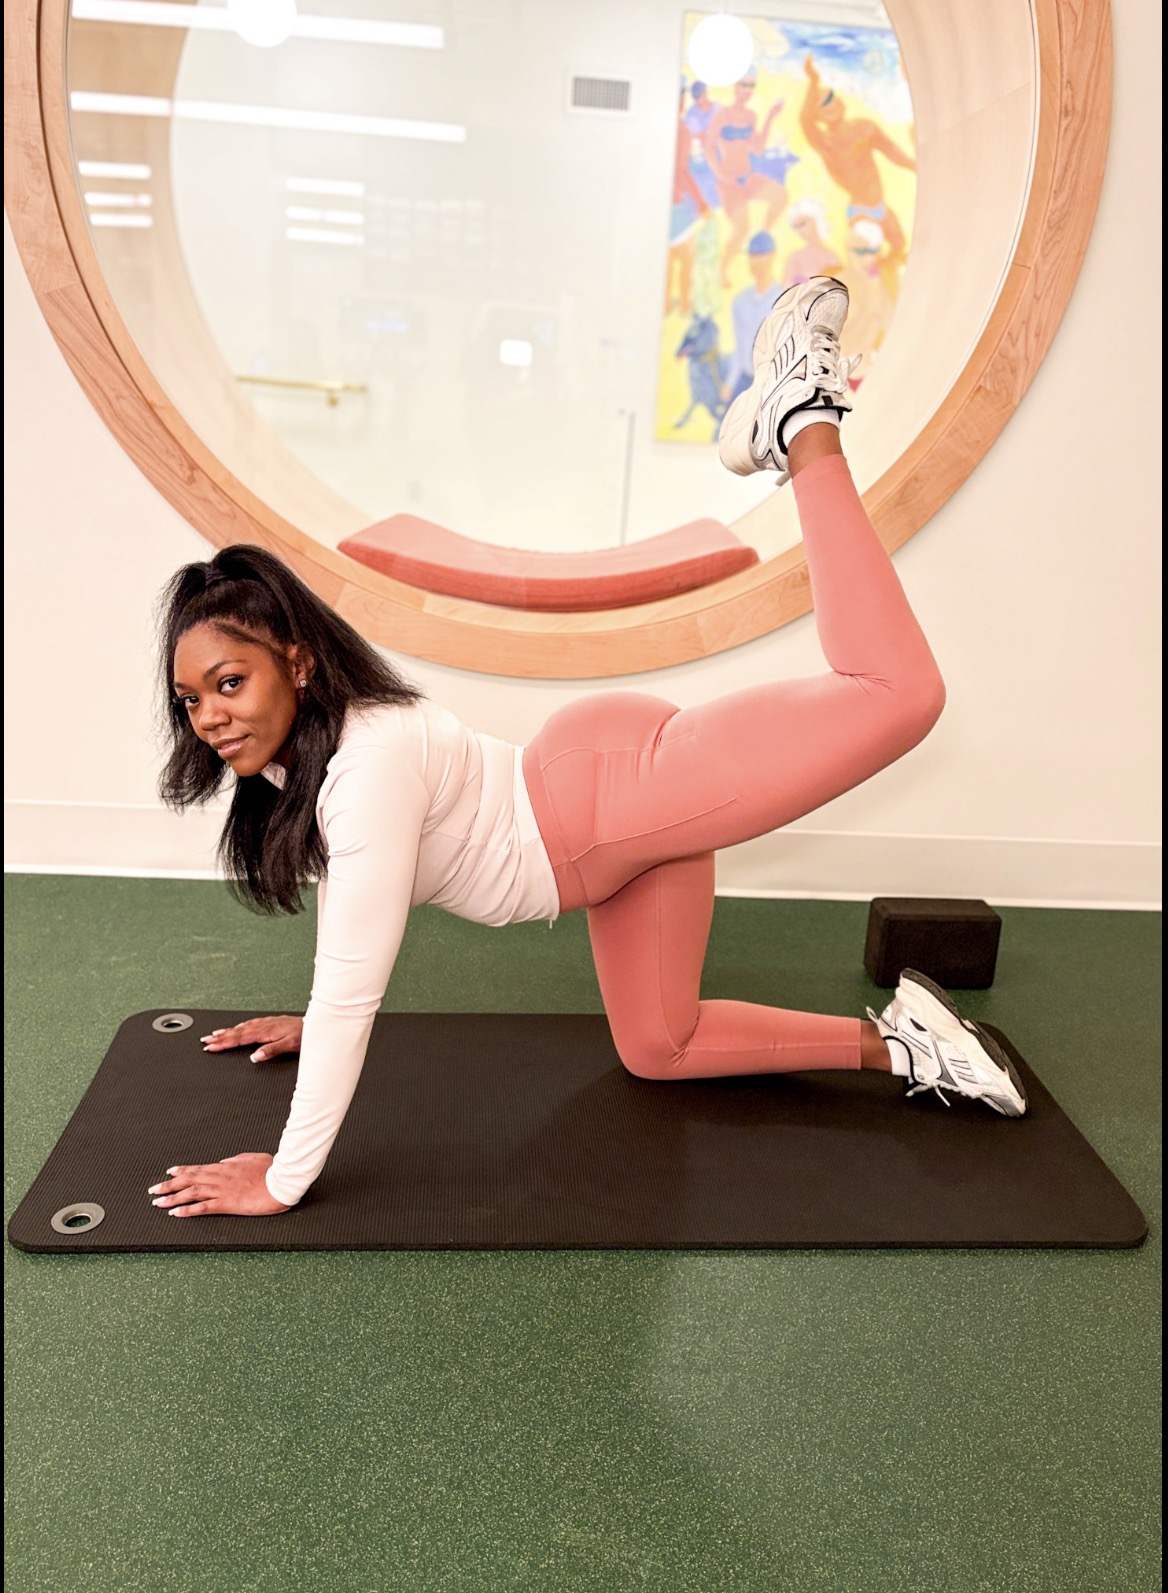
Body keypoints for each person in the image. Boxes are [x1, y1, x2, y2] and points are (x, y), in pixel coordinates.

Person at [147, 276, 1027, 1221]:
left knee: (897, 694)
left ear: (298, 663)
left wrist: (282, 1178)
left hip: (613, 796)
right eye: (191, 699)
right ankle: (907, 1043)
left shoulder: (368, 766)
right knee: (661, 1048)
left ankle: (804, 418)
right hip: (611, 849)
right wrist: (315, 1019)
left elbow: (353, 985)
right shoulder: (312, 768)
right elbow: (348, 935)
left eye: (230, 683)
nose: (210, 717)